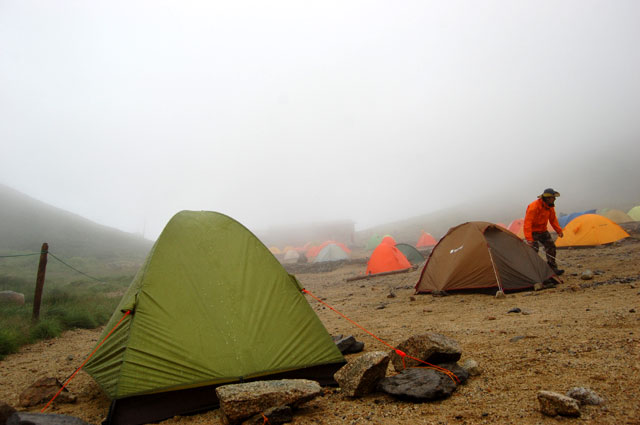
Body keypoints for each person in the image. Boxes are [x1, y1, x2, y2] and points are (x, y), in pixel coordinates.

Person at [523, 188, 565, 275]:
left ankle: (553, 269)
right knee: (533, 251)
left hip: (543, 231)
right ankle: (533, 272)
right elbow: (527, 223)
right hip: (533, 232)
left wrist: (559, 230)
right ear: (547, 198)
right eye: (553, 198)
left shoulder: (550, 207)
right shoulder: (533, 207)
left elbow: (553, 220)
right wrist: (529, 238)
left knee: (551, 247)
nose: (555, 199)